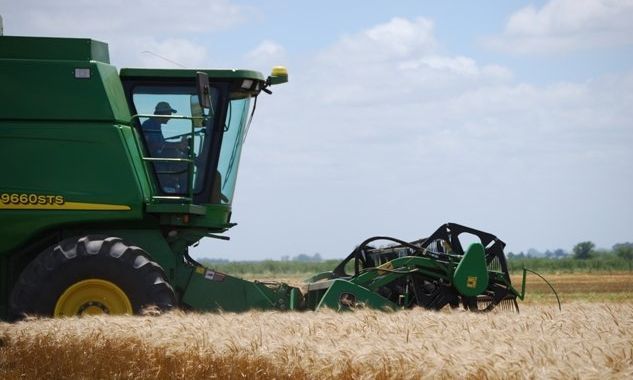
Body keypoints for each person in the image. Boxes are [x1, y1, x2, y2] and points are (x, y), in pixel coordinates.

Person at [141, 102, 189, 193]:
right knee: (184, 162)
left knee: (182, 156)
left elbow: (160, 144)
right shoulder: (150, 124)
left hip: (157, 158)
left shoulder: (154, 124)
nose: (170, 117)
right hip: (155, 161)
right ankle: (184, 192)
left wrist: (178, 146)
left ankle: (177, 187)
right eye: (169, 113)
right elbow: (157, 145)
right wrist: (179, 145)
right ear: (163, 113)